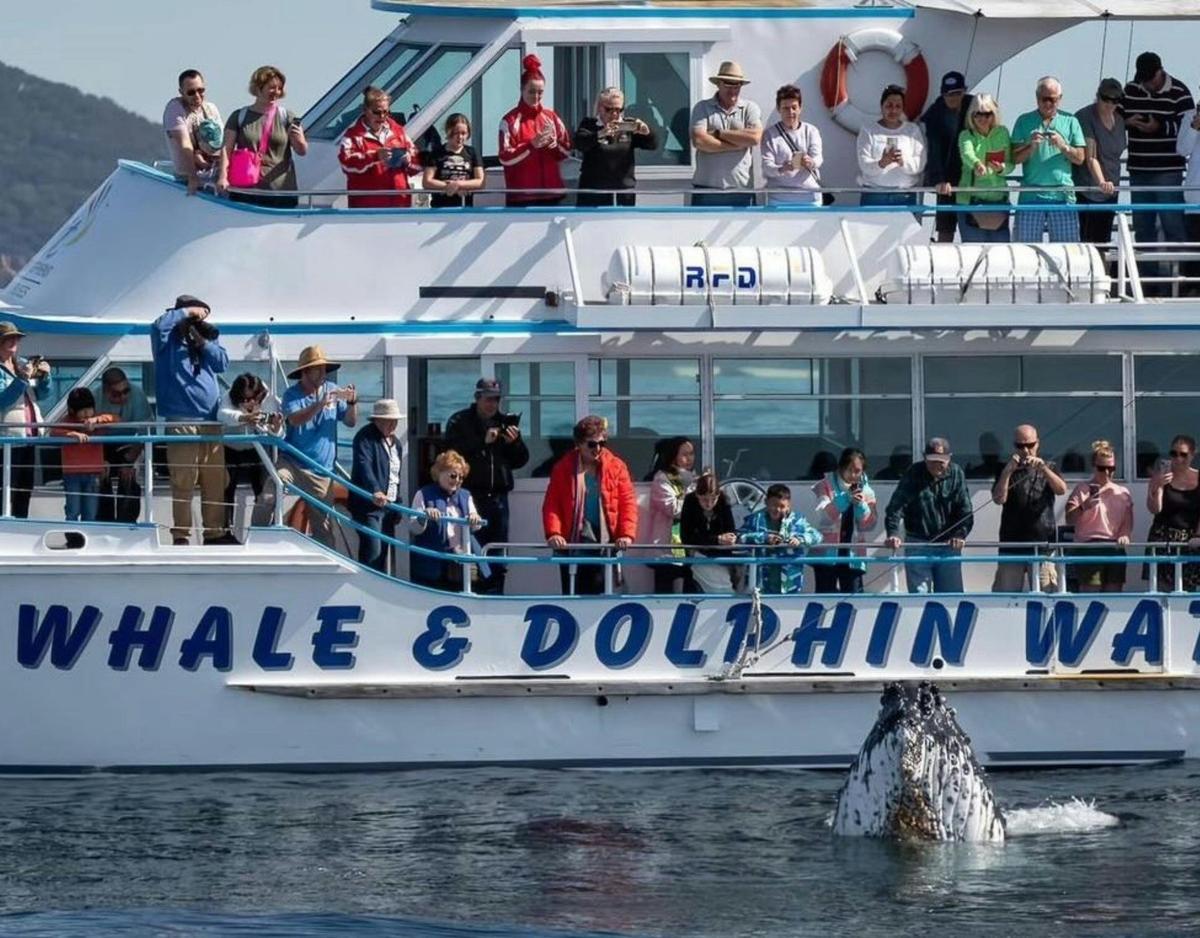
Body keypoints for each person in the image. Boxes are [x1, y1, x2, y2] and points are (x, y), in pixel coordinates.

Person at [151, 295, 234, 545]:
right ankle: (181, 536)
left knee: (214, 481)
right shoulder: (166, 340)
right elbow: (156, 326)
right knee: (183, 481)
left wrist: (203, 342)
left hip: (211, 421)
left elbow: (222, 363)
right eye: (193, 315)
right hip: (181, 420)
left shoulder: (206, 337)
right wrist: (187, 313)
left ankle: (214, 533)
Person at [266, 345, 359, 549]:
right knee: (270, 493)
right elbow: (295, 420)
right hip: (292, 461)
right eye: (318, 369)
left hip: (321, 469)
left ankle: (326, 559)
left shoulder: (333, 390)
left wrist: (352, 402)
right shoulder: (292, 395)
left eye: (324, 368)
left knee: (323, 524)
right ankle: (257, 537)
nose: (323, 373)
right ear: (305, 372)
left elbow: (351, 422)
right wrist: (319, 404)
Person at [444, 377, 529, 594]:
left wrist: (515, 442)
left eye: (496, 399)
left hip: (498, 498)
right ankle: (470, 594)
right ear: (477, 398)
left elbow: (520, 461)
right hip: (470, 496)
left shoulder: (504, 422)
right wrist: (483, 441)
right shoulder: (460, 421)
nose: (492, 404)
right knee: (469, 549)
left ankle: (496, 594)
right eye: (488, 399)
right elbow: (450, 455)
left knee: (498, 553)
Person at [542, 416, 638, 595]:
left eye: (602, 443)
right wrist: (554, 533)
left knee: (601, 594)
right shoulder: (563, 468)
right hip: (572, 544)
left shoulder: (617, 466)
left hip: (605, 543)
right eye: (592, 444)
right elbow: (552, 504)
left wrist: (626, 534)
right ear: (578, 444)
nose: (598, 449)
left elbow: (627, 502)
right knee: (572, 594)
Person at [1124, 51, 1194, 293]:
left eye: (1149, 79)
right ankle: (1148, 283)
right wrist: (1128, 122)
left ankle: (1181, 282)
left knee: (1173, 225)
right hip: (1139, 168)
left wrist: (1159, 127)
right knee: (1142, 228)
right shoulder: (1131, 89)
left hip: (1168, 170)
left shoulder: (1180, 93)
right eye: (1142, 80)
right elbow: (1117, 114)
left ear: (1160, 71)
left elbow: (1186, 130)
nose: (1146, 84)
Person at [884, 437, 973, 594]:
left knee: (951, 596)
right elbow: (895, 507)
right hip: (917, 543)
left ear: (949, 458)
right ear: (925, 458)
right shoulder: (913, 473)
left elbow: (965, 510)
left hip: (948, 545)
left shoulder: (957, 473)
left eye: (942, 461)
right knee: (919, 597)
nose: (937, 465)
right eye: (932, 460)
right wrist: (893, 533)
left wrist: (960, 534)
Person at [217, 65, 308, 208]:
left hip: (280, 192)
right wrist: (222, 176)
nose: (276, 92)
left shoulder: (286, 117)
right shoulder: (239, 116)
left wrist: (298, 138)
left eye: (279, 88)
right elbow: (226, 149)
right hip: (246, 190)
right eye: (271, 88)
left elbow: (302, 151)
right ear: (258, 88)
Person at [991, 424, 1067, 592]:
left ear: (1037, 444)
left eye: (1030, 445)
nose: (1025, 450)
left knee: (1047, 595)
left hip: (1042, 546)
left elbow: (1061, 489)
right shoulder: (1004, 469)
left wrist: (1044, 469)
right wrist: (1007, 472)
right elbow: (999, 499)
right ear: (1014, 446)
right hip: (1012, 545)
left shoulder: (1049, 467)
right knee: (1006, 597)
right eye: (1020, 446)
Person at [1010, 76, 1086, 243]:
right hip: (1031, 196)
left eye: (1052, 99)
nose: (1048, 103)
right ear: (1037, 98)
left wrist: (1063, 145)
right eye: (1044, 99)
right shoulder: (1023, 121)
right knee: (1026, 252)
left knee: (1066, 252)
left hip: (1062, 196)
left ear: (1060, 99)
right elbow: (1014, 159)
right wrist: (1031, 146)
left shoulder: (1071, 121)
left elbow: (1080, 158)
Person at [498, 55, 571, 207]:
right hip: (521, 197)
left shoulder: (551, 117)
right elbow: (505, 158)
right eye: (531, 91)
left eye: (540, 92)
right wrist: (531, 145)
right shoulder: (510, 120)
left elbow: (566, 152)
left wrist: (554, 145)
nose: (536, 96)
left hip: (552, 195)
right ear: (521, 90)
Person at [690, 61, 763, 207]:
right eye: (728, 84)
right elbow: (699, 141)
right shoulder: (702, 107)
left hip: (742, 192)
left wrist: (718, 133)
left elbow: (754, 138)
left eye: (737, 85)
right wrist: (738, 145)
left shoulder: (750, 108)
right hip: (706, 192)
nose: (733, 90)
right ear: (718, 84)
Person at [218, 373, 282, 536]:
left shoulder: (270, 400)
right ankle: (226, 533)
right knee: (226, 490)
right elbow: (222, 414)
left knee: (263, 492)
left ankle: (262, 532)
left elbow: (279, 433)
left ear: (260, 394)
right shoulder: (229, 396)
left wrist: (273, 427)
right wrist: (244, 417)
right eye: (244, 400)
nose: (249, 403)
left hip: (258, 449)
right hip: (230, 447)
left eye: (253, 399)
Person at [1065, 440, 1133, 594]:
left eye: (1112, 468)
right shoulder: (1082, 489)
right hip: (1089, 547)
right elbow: (1069, 519)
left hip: (1114, 547)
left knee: (1114, 594)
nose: (1107, 473)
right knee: (1090, 593)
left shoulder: (1123, 492)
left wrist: (1124, 535)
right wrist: (1084, 506)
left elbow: (1127, 522)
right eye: (1102, 468)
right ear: (1094, 467)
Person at [409, 450, 483, 591]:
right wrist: (423, 516)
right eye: (453, 475)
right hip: (431, 561)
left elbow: (475, 526)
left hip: (458, 560)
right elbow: (413, 528)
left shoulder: (466, 496)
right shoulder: (424, 494)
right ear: (439, 472)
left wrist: (475, 520)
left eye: (461, 477)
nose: (457, 480)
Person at [337, 86, 421, 208]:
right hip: (367, 210)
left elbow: (418, 163)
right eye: (377, 112)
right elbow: (346, 164)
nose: (382, 116)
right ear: (365, 110)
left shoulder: (399, 132)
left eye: (386, 112)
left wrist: (408, 160)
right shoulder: (353, 135)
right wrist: (374, 156)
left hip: (400, 206)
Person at [809, 447, 878, 594]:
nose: (853, 474)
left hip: (853, 555)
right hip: (826, 554)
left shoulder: (867, 491)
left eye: (857, 471)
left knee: (853, 598)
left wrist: (860, 505)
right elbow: (823, 517)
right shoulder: (824, 485)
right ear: (840, 467)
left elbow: (870, 524)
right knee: (825, 598)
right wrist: (846, 498)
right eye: (849, 469)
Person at [0, 321, 51, 519]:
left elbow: (41, 394)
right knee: (5, 488)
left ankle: (21, 525)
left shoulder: (21, 363)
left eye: (16, 338)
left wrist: (45, 377)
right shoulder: (19, 369)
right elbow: (2, 400)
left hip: (28, 438)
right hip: (6, 441)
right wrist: (21, 379)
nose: (14, 341)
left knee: (23, 488)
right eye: (9, 338)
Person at [574, 87, 657, 207]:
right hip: (594, 192)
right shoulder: (590, 124)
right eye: (609, 109)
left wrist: (647, 132)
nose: (614, 114)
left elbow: (652, 145)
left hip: (623, 192)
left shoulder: (628, 126)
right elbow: (579, 144)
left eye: (618, 110)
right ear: (599, 108)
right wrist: (601, 133)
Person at [348, 399, 404, 574]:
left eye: (395, 420)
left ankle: (378, 587)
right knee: (373, 550)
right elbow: (364, 466)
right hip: (368, 506)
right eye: (388, 420)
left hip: (388, 506)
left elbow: (395, 476)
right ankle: (367, 587)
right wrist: (375, 490)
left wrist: (398, 504)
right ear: (377, 420)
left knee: (383, 553)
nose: (393, 424)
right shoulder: (365, 438)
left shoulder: (397, 444)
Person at [738, 483, 822, 595]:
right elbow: (740, 537)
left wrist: (800, 539)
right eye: (773, 505)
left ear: (788, 506)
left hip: (789, 584)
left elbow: (817, 536)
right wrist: (764, 538)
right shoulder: (755, 520)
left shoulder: (797, 520)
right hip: (760, 584)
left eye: (782, 506)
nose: (777, 509)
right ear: (766, 502)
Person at [95, 367, 153, 524]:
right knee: (100, 477)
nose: (123, 396)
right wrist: (99, 459)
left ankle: (127, 523)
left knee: (129, 477)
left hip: (130, 442)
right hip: (102, 443)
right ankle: (103, 523)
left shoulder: (138, 394)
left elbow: (145, 432)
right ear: (105, 391)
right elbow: (91, 433)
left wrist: (129, 460)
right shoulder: (95, 397)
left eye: (125, 391)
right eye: (116, 394)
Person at [50, 388, 116, 523]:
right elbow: (53, 431)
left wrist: (97, 420)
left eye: (89, 408)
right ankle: (72, 540)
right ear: (73, 410)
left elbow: (116, 419)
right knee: (73, 510)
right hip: (72, 474)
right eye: (82, 409)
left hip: (93, 474)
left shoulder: (97, 421)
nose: (87, 413)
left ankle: (87, 540)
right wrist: (71, 434)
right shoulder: (66, 422)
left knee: (90, 512)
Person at [1074, 78, 1128, 245]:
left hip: (1112, 192)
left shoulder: (1119, 120)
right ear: (1098, 96)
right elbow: (1091, 157)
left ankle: (1103, 270)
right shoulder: (1085, 117)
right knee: (1087, 242)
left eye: (1115, 100)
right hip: (1088, 191)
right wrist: (1102, 182)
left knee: (1104, 241)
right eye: (1106, 98)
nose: (1110, 104)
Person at [856, 85, 927, 207]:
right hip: (874, 195)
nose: (893, 111)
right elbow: (864, 164)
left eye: (898, 106)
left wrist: (903, 162)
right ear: (881, 106)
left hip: (905, 195)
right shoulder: (868, 130)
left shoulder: (913, 130)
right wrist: (882, 162)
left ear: (902, 109)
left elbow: (920, 164)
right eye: (889, 106)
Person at [956, 93, 1013, 243]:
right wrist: (976, 164)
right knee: (974, 255)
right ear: (971, 115)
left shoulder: (1003, 133)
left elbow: (1010, 164)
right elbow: (967, 153)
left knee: (1001, 256)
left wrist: (1001, 168)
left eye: (987, 114)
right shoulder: (966, 135)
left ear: (993, 114)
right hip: (971, 202)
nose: (982, 119)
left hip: (999, 202)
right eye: (978, 114)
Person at [1146, 434, 1200, 592]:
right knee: (1161, 590)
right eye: (1173, 454)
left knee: (1187, 590)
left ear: (1192, 454)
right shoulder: (1160, 477)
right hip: (1163, 537)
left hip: (1190, 541)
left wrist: (1198, 536)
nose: (1178, 459)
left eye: (1183, 454)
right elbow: (1154, 509)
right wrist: (1157, 487)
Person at [923, 70, 972, 243]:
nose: (952, 98)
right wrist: (937, 179)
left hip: (971, 177)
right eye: (948, 94)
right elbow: (933, 150)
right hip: (946, 179)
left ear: (964, 91)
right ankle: (944, 268)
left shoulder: (976, 107)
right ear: (942, 94)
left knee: (971, 228)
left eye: (957, 93)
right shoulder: (935, 114)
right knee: (945, 228)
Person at [646, 436, 696, 594]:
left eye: (692, 453)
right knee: (666, 597)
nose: (689, 459)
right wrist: (691, 492)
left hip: (689, 550)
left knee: (689, 594)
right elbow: (674, 509)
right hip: (666, 552)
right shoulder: (662, 479)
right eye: (684, 454)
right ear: (673, 456)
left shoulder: (693, 478)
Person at [760, 84, 824, 206]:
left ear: (800, 108)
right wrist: (783, 168)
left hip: (810, 197)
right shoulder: (769, 134)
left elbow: (818, 158)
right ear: (778, 109)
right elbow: (767, 167)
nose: (791, 112)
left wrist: (811, 162)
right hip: (778, 199)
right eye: (785, 108)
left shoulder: (811, 131)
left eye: (794, 107)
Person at [163, 68, 223, 195]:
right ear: (181, 92)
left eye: (200, 90)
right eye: (191, 92)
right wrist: (192, 177)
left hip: (214, 173)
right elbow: (185, 144)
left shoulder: (211, 109)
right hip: (188, 178)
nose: (197, 96)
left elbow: (222, 143)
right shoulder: (175, 109)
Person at [680, 469, 738, 594]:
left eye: (713, 499)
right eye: (704, 499)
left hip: (721, 558)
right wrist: (717, 539)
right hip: (698, 556)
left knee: (725, 591)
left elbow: (731, 530)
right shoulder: (690, 501)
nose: (709, 504)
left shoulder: (724, 501)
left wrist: (731, 538)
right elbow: (686, 536)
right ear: (697, 495)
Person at [423, 113, 486, 208]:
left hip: (465, 208)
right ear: (449, 132)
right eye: (456, 133)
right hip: (440, 208)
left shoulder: (472, 153)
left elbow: (481, 182)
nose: (460, 137)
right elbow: (427, 181)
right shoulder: (437, 153)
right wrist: (447, 186)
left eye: (463, 133)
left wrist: (459, 185)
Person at [1175, 104, 1200, 296]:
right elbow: (1182, 150)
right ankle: (1192, 291)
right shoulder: (1190, 116)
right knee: (1193, 253)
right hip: (1195, 199)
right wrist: (1194, 127)